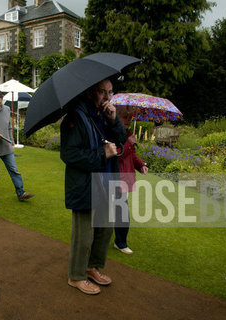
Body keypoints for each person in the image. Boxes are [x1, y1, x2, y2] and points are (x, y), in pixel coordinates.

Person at [60, 78, 127, 295]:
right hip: (85, 185)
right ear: (90, 92)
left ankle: (92, 267)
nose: (108, 97)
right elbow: (69, 154)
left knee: (105, 229)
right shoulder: (75, 117)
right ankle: (76, 276)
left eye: (110, 92)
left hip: (106, 181)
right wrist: (101, 153)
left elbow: (121, 142)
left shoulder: (102, 115)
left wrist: (114, 120)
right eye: (102, 92)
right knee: (84, 235)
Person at [0, 88, 34, 203]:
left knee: (14, 170)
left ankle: (21, 193)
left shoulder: (7, 109)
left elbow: (9, 126)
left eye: (0, 102)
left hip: (6, 148)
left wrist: (11, 140)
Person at [114, 106, 148, 254]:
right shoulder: (115, 133)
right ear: (117, 117)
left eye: (130, 117)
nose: (128, 120)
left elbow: (131, 155)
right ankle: (120, 243)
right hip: (115, 178)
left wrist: (141, 165)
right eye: (125, 117)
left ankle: (119, 241)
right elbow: (118, 155)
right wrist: (129, 142)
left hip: (125, 178)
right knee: (121, 213)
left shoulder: (127, 133)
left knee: (118, 212)